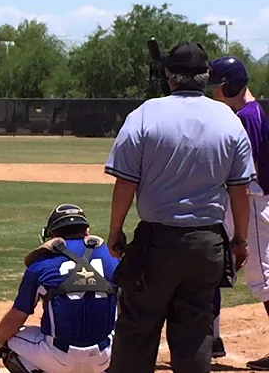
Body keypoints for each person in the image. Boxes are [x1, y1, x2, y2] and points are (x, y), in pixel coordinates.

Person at [103, 41, 254, 373]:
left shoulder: (145, 114)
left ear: (170, 76)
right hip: (207, 245)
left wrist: (116, 231)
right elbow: (240, 189)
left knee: (138, 328)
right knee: (195, 333)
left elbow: (125, 183)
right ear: (207, 78)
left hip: (156, 242)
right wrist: (240, 240)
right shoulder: (228, 120)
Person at [0, 204, 119, 373]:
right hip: (105, 357)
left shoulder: (42, 264)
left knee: (6, 340)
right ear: (87, 231)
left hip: (59, 358)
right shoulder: (112, 259)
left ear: (54, 235)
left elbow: (17, 316)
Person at [207, 55, 269, 370]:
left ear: (230, 85)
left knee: (263, 279)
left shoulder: (247, 116)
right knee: (219, 265)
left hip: (254, 202)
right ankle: (211, 338)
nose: (215, 93)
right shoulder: (249, 112)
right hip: (250, 200)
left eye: (218, 87)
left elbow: (249, 170)